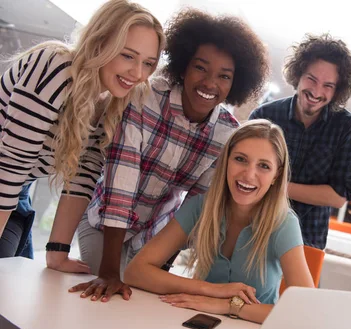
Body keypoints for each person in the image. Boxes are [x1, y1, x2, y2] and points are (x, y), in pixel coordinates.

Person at [68, 9, 270, 302]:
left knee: (141, 299)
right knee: (111, 293)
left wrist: (162, 263)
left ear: (235, 84)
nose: (210, 83)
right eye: (201, 68)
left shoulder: (227, 134)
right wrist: (110, 272)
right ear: (184, 66)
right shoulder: (142, 98)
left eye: (224, 76)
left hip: (154, 235)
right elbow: (120, 186)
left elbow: (195, 208)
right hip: (104, 225)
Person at [0, 0, 164, 263]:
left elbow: (83, 175)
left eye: (148, 63)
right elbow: (11, 164)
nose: (138, 73)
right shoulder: (55, 65)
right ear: (101, 42)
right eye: (128, 55)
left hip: (16, 192)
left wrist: (57, 254)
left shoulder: (113, 102)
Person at [124, 120, 314, 324]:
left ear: (276, 176)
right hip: (196, 323)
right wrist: (212, 290)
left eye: (264, 166)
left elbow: (306, 310)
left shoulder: (283, 223)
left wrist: (228, 305)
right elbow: (135, 272)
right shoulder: (200, 207)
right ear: (226, 162)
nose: (249, 175)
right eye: (240, 159)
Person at [249, 33, 351, 250]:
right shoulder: (264, 116)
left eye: (328, 85)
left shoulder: (346, 128)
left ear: (337, 90)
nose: (317, 92)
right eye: (311, 79)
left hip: (307, 243)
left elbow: (338, 196)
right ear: (298, 75)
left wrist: (273, 184)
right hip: (254, 234)